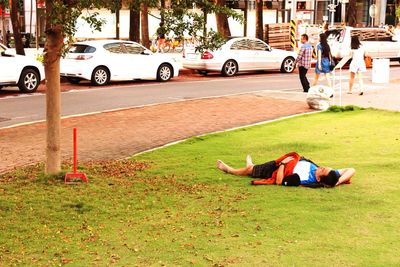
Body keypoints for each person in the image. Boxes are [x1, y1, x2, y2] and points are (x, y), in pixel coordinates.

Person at [217, 152, 355, 187]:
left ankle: (229, 170)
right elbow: (351, 169)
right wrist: (337, 182)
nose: (322, 167)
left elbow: (279, 181)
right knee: (253, 167)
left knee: (250, 170)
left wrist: (283, 164)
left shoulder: (302, 179)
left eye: (323, 170)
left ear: (319, 178)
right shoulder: (331, 175)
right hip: (285, 161)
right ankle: (251, 165)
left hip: (277, 169)